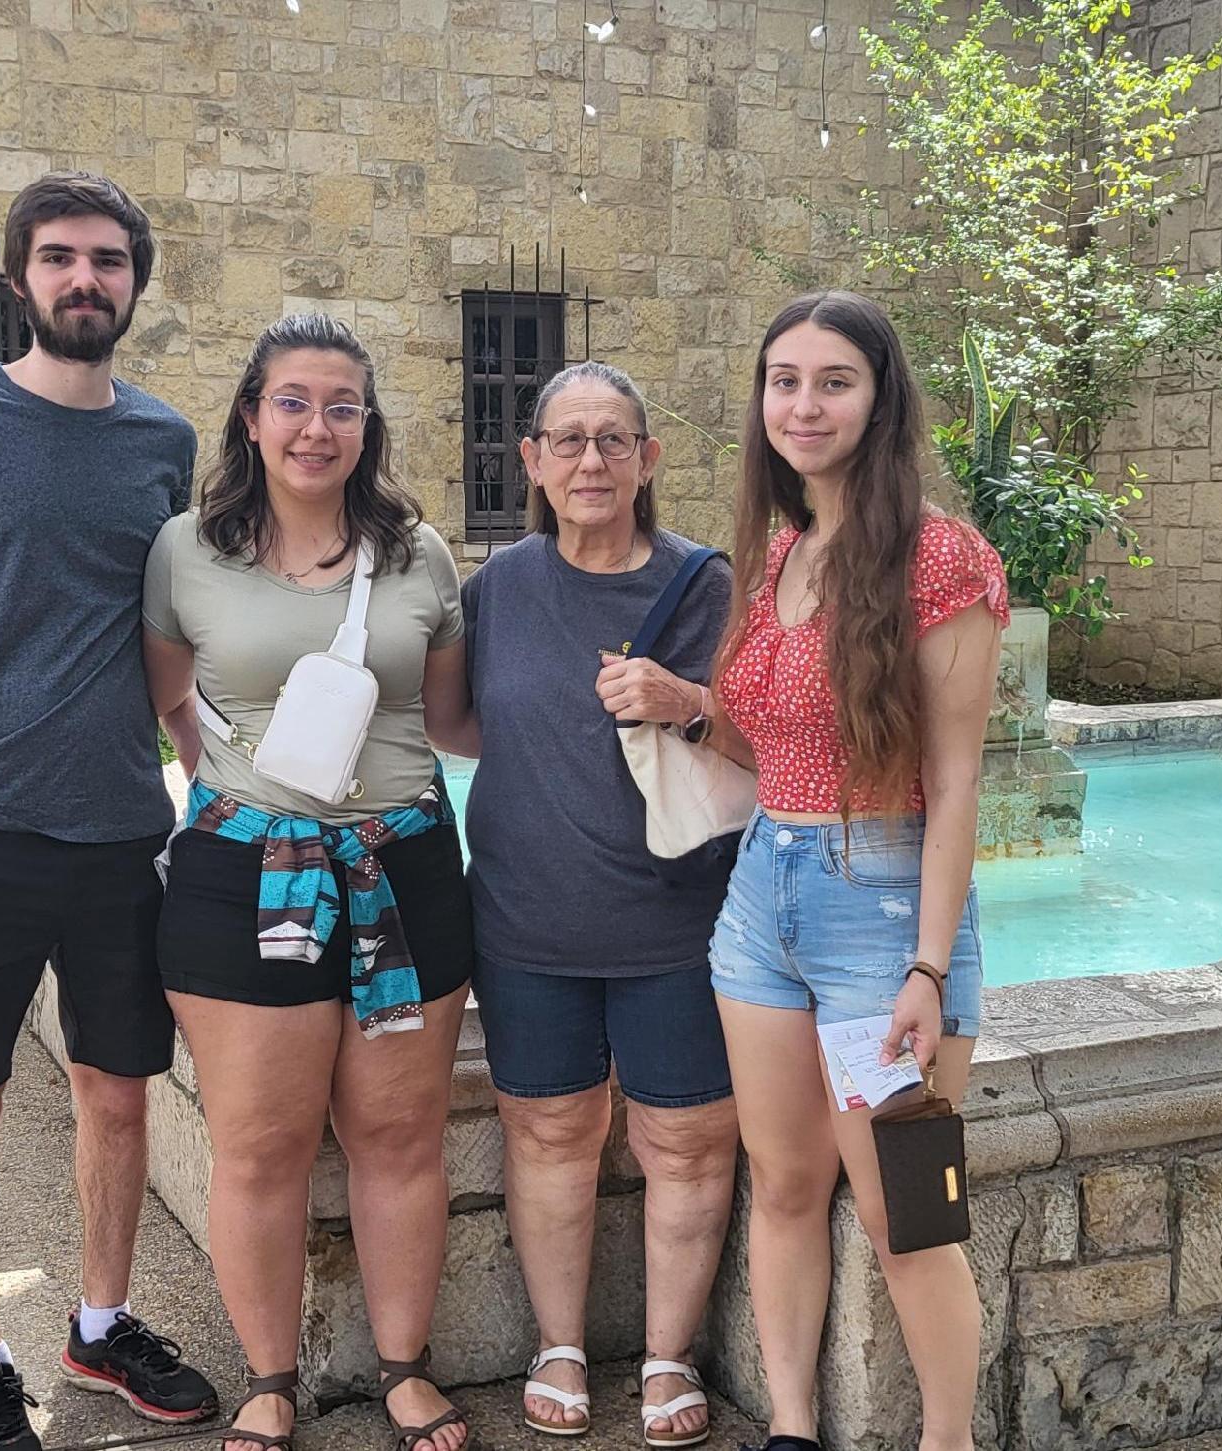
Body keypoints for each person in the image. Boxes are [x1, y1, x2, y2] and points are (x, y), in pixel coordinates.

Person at [0, 172, 218, 1450]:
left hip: (121, 829)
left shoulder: (164, 441)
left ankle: (100, 1322)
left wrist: (210, 776)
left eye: (108, 260)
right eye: (62, 257)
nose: (86, 278)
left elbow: (166, 646)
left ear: (135, 282)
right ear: (20, 277)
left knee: (119, 1096)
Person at [142, 312, 474, 1451]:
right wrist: (241, 789)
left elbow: (447, 719)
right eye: (293, 401)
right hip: (245, 874)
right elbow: (167, 696)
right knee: (260, 1144)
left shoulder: (419, 553)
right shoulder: (187, 550)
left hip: (404, 868)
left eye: (342, 406)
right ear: (252, 415)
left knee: (401, 1133)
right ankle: (269, 1380)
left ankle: (405, 1368)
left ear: (367, 424)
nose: (316, 427)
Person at [709, 292, 1008, 1451]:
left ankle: (948, 1440)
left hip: (882, 909)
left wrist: (929, 965)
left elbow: (957, 778)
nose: (803, 403)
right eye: (783, 380)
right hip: (760, 898)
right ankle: (791, 1424)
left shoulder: (941, 557)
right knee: (783, 1182)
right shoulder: (783, 550)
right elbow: (769, 739)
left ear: (880, 398)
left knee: (908, 1212)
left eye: (833, 380)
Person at [432, 360, 739, 1447]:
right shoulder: (499, 586)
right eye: (568, 440)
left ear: (648, 459)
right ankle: (558, 1342)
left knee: (686, 1143)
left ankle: (668, 1355)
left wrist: (686, 700)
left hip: (677, 920)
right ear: (533, 461)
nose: (591, 460)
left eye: (614, 440)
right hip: (528, 918)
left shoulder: (707, 583)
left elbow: (775, 740)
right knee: (549, 1130)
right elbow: (459, 723)